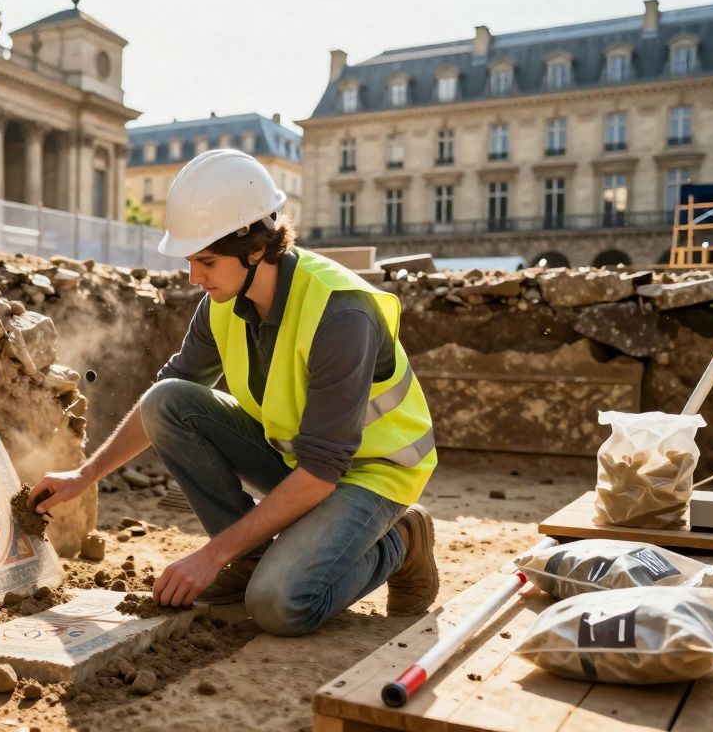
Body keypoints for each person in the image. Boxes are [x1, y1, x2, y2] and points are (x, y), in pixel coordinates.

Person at [28, 149, 439, 637]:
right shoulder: (223, 301)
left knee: (279, 604)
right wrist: (85, 474)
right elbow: (165, 398)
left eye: (207, 261)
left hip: (373, 472)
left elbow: (321, 471)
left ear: (257, 248)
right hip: (301, 461)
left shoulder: (341, 313)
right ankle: (253, 558)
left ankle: (401, 541)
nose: (194, 278)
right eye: (190, 261)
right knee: (168, 401)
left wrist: (212, 554)